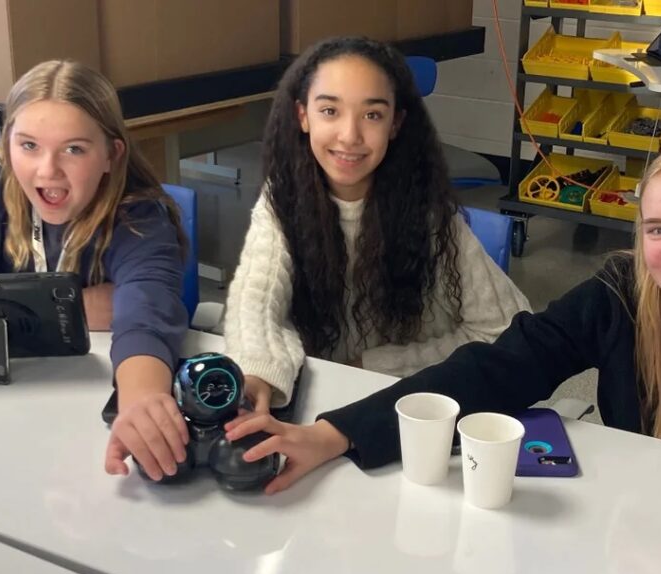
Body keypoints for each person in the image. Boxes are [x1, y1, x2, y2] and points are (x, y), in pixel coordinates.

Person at [225, 137, 661, 492]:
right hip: (641, 538)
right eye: (657, 229)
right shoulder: (622, 295)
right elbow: (500, 367)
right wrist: (337, 432)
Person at [0, 60, 192, 482]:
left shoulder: (138, 215)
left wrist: (140, 402)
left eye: (74, 149)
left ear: (111, 155)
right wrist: (72, 306)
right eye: (28, 146)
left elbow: (144, 315)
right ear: (7, 145)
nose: (47, 170)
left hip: (81, 407)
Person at [223, 37, 531, 413]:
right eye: (329, 111)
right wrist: (258, 373)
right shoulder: (283, 199)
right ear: (303, 116)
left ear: (395, 123)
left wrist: (377, 366)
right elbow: (255, 299)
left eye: (372, 115)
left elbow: (509, 329)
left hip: (411, 408)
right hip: (323, 406)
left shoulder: (427, 212)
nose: (350, 136)